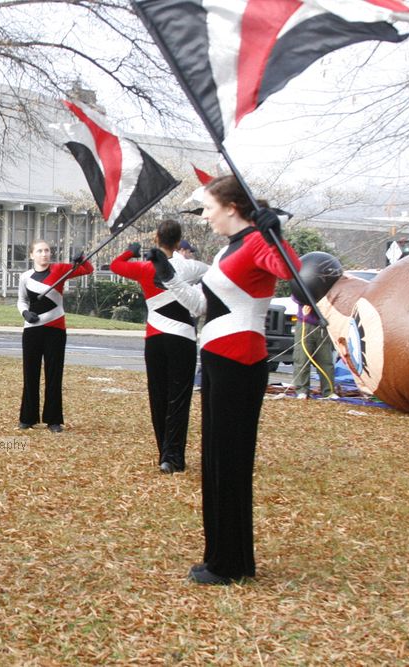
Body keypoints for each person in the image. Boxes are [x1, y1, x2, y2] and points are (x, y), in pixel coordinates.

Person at [153, 175, 299, 585]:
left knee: (230, 463)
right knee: (215, 461)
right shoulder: (225, 252)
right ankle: (221, 556)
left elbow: (291, 270)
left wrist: (274, 234)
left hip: (240, 361)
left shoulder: (255, 241)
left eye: (209, 207)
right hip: (216, 358)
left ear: (232, 207)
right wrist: (171, 279)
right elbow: (202, 305)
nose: (205, 215)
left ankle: (232, 563)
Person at [110, 220, 207, 473]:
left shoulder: (144, 267)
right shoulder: (189, 266)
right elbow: (215, 273)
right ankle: (173, 455)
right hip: (182, 337)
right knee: (179, 397)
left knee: (158, 395)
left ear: (156, 239)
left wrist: (131, 251)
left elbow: (115, 265)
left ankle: (163, 453)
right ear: (179, 242)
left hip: (154, 337)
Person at [16, 240, 93, 433]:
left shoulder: (60, 270)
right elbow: (22, 300)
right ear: (32, 255)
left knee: (54, 374)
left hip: (55, 329)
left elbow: (87, 269)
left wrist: (81, 259)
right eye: (40, 251)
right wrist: (25, 313)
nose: (44, 254)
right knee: (30, 373)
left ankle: (53, 420)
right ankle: (28, 417)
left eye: (47, 251)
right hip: (32, 330)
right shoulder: (25, 277)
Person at [291, 300, 335, 399]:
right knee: (302, 358)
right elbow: (296, 295)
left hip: (323, 325)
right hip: (305, 322)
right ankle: (302, 391)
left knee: (326, 360)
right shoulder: (303, 285)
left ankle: (329, 391)